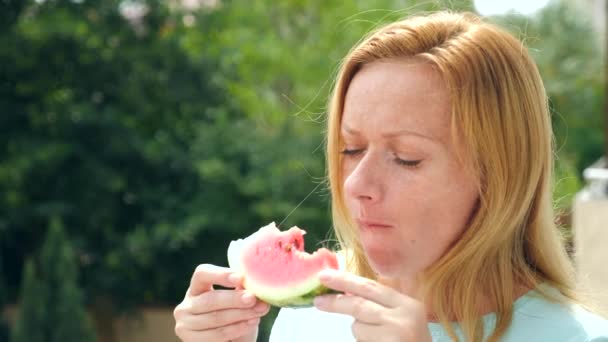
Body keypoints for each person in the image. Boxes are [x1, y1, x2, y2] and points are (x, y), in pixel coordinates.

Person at [173, 10, 608, 342]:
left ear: (499, 173)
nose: (356, 185)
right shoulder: (307, 318)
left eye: (406, 158)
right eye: (351, 149)